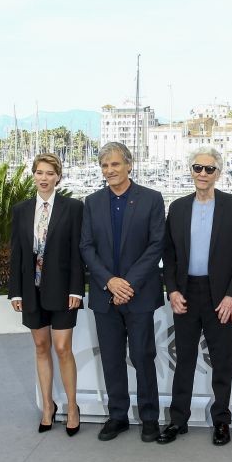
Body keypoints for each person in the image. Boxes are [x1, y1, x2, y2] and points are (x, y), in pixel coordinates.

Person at [159, 146, 232, 447]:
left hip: (220, 296)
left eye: (209, 169)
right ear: (191, 170)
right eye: (197, 167)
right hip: (185, 293)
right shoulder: (179, 207)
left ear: (218, 173)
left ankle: (221, 421)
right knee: (183, 359)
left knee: (222, 361)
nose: (202, 173)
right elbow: (168, 254)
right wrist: (171, 289)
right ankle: (177, 420)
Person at [79, 142, 165, 443]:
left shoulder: (152, 199)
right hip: (105, 295)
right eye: (104, 166)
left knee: (143, 356)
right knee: (112, 359)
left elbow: (156, 245)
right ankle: (117, 416)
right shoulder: (92, 202)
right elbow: (86, 247)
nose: (109, 171)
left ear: (129, 165)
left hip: (139, 294)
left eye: (115, 164)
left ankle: (150, 418)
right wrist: (109, 282)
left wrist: (127, 284)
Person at [9, 152, 85, 436]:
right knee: (41, 347)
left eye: (49, 173)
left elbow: (79, 253)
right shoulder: (21, 210)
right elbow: (16, 252)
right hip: (31, 291)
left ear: (58, 177)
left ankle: (73, 407)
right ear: (33, 175)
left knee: (63, 348)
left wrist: (77, 288)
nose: (44, 178)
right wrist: (15, 292)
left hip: (65, 292)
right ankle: (47, 408)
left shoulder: (73, 208)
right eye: (39, 172)